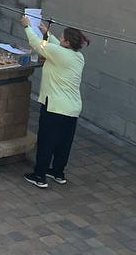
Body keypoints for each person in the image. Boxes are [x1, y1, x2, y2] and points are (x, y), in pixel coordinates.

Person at [22, 17, 89, 188]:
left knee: (46, 141)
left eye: (62, 37)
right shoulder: (78, 57)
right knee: (63, 143)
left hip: (55, 107)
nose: (60, 39)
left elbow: (38, 45)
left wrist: (27, 27)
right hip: (72, 108)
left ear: (66, 42)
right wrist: (47, 33)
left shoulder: (59, 53)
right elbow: (55, 47)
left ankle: (39, 175)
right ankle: (58, 172)